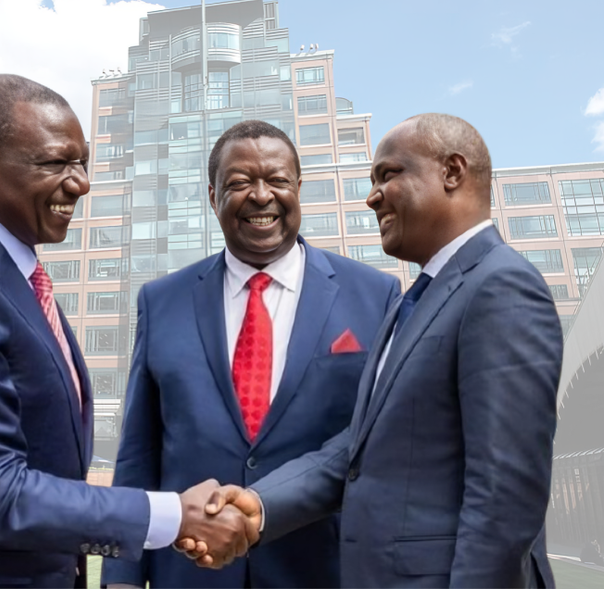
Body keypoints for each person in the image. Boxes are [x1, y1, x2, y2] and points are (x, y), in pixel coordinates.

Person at [0, 75, 255, 588]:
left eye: (82, 162)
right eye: (56, 163)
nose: (81, 183)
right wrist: (172, 515)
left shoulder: (11, 274)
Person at [196, 113, 563, 588]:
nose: (372, 197)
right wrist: (260, 505)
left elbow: (505, 495)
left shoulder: (502, 286)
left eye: (388, 174)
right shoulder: (414, 302)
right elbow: (360, 449)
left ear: (452, 172)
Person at [102, 120, 400, 588]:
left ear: (298, 188)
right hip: (189, 575)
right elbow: (139, 453)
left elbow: (378, 443)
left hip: (322, 572)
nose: (261, 196)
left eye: (277, 180)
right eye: (240, 182)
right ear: (212, 196)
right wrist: (120, 577)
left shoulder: (376, 295)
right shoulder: (161, 302)